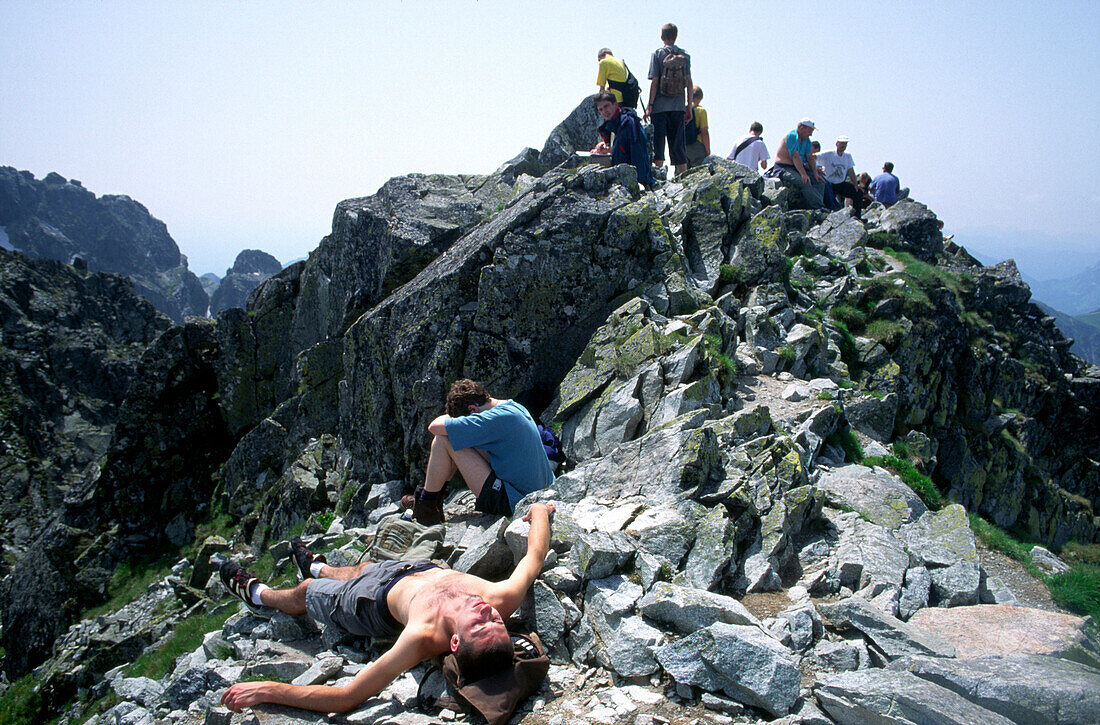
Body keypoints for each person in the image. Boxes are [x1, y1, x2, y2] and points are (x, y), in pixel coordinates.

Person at [218, 502, 556, 714]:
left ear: (454, 643)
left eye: (481, 625)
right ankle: (317, 566)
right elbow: (534, 558)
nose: (487, 612)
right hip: (414, 569)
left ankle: (258, 593)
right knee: (360, 569)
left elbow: (346, 696)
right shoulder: (499, 600)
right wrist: (539, 511)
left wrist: (268, 690)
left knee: (308, 592)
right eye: (497, 621)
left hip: (370, 605)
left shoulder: (423, 636)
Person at [407, 379, 555, 525]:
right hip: (541, 490)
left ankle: (427, 504)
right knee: (462, 438)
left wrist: (456, 420)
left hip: (515, 500)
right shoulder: (512, 406)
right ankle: (434, 499)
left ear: (472, 409)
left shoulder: (491, 420)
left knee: (444, 439)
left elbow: (434, 427)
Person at [645, 23, 693, 177]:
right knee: (678, 145)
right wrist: (689, 107)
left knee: (658, 144)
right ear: (676, 36)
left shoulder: (657, 54)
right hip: (678, 107)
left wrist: (649, 105)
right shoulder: (684, 56)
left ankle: (659, 177)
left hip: (659, 107)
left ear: (661, 37)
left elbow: (655, 82)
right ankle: (683, 178)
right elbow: (690, 83)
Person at [591, 90, 657, 188]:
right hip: (622, 178)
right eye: (600, 109)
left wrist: (638, 182)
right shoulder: (614, 126)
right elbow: (622, 149)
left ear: (615, 104)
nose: (604, 111)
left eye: (606, 106)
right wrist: (607, 150)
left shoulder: (629, 123)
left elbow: (638, 153)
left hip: (633, 180)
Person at [772, 118, 825, 209]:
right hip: (784, 167)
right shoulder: (792, 136)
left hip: (796, 167)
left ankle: (813, 206)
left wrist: (815, 173)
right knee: (804, 182)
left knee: (819, 181)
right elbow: (795, 156)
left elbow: (810, 157)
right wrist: (803, 174)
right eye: (809, 131)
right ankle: (818, 207)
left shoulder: (806, 140)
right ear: (802, 128)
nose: (811, 134)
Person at [817, 136, 863, 217]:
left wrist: (855, 184)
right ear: (837, 144)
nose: (843, 146)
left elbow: (851, 170)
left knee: (858, 193)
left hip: (841, 183)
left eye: (845, 144)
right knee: (831, 204)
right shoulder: (828, 154)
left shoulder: (847, 156)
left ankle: (857, 216)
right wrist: (816, 169)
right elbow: (813, 156)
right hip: (829, 184)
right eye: (841, 144)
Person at [684, 86, 710, 168]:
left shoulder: (681, 109)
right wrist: (708, 151)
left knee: (682, 172)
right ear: (700, 97)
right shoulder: (701, 111)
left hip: (682, 145)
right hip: (697, 145)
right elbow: (704, 132)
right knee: (699, 171)